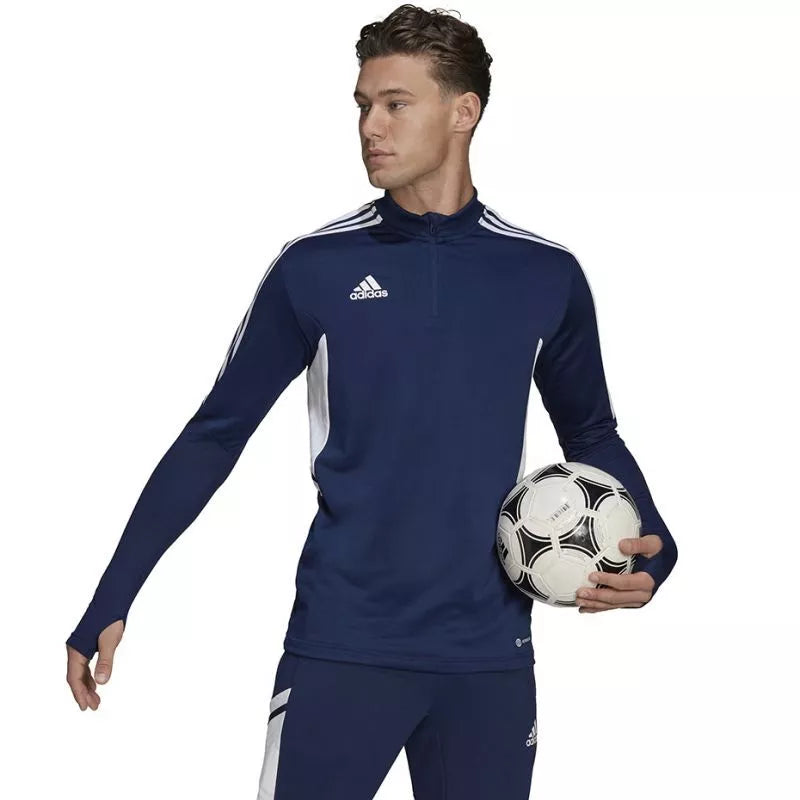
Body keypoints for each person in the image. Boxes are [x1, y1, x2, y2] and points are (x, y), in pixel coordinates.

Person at [66, 5, 678, 798]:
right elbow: (215, 435)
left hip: (488, 659)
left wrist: (657, 549)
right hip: (342, 648)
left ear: (464, 111)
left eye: (395, 103)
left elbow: (591, 431)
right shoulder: (314, 267)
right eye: (362, 105)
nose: (370, 126)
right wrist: (114, 592)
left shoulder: (544, 274)